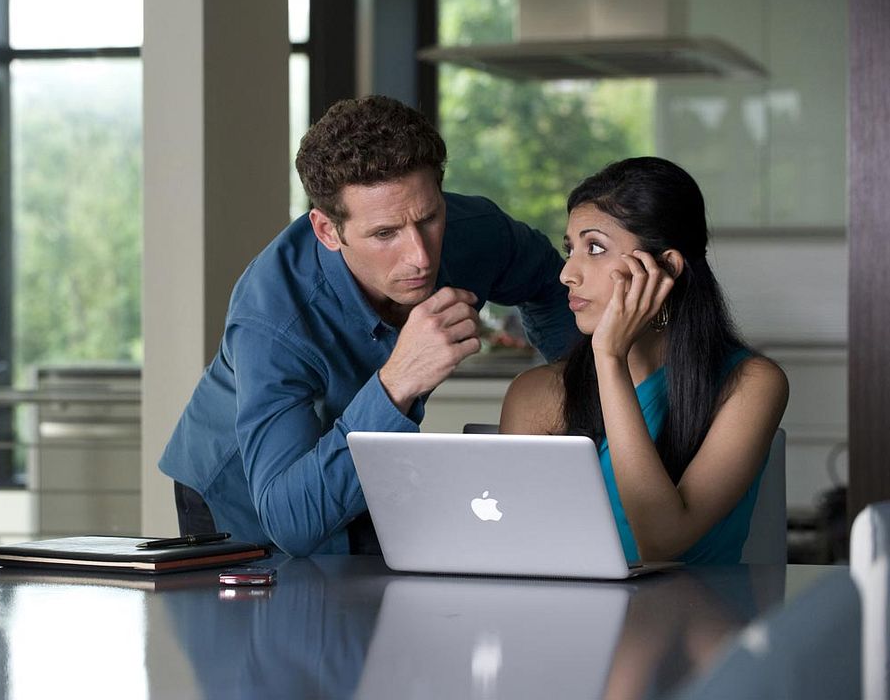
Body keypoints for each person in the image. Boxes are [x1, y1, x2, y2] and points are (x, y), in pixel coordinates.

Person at [160, 95, 578, 556]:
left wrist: (583, 393)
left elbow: (553, 284)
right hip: (243, 495)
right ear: (326, 231)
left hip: (366, 467)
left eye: (429, 217)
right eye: (385, 234)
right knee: (284, 617)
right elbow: (290, 521)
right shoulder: (272, 322)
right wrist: (398, 381)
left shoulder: (476, 231)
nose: (420, 257)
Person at [500, 156, 789, 563]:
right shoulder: (535, 393)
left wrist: (610, 358)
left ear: (665, 267)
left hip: (698, 616)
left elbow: (662, 542)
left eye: (595, 247)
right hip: (566, 620)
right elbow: (515, 551)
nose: (568, 273)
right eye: (570, 249)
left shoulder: (751, 383)